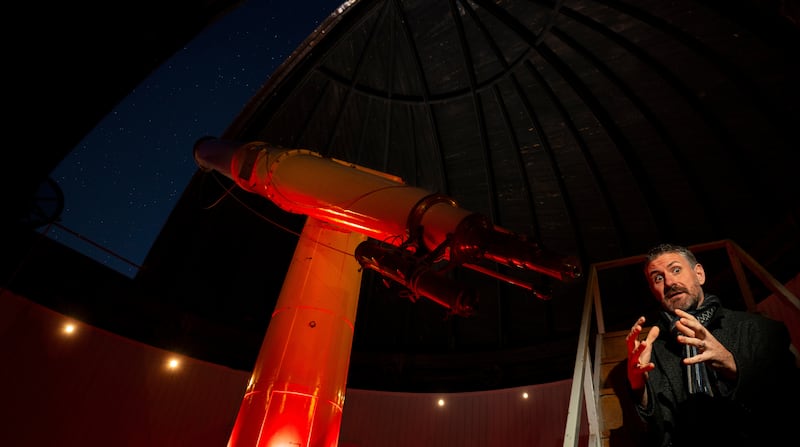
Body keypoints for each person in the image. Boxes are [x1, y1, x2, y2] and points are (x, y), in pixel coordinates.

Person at [625, 243, 800, 446]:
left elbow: (787, 401)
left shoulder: (759, 330)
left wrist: (732, 365)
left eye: (676, 269)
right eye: (658, 278)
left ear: (699, 274)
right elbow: (660, 433)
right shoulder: (653, 351)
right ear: (653, 291)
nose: (669, 282)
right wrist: (639, 389)